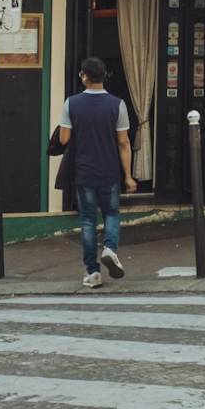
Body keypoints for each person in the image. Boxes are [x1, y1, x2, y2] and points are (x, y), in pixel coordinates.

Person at [58, 56, 137, 289]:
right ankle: (110, 249)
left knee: (88, 221)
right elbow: (123, 143)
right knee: (112, 213)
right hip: (109, 170)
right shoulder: (118, 104)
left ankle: (93, 272)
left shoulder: (71, 103)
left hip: (84, 171)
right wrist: (129, 176)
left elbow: (64, 139)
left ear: (84, 76)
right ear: (104, 77)